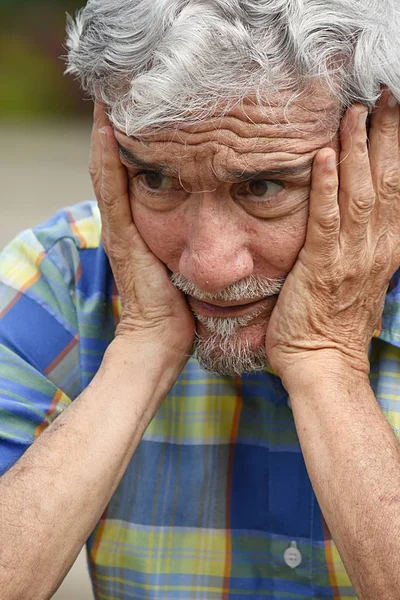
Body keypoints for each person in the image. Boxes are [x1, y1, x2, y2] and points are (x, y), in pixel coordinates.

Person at [1, 0, 400, 598]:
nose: (208, 268)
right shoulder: (65, 276)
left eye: (264, 187)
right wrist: (140, 348)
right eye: (155, 179)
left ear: (381, 153)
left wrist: (325, 363)